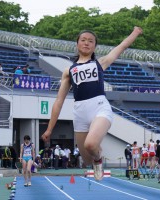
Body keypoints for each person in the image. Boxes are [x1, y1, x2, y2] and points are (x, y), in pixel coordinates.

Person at [41, 26, 143, 181]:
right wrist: (49, 129)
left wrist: (135, 33)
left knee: (91, 145)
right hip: (80, 113)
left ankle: (99, 159)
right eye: (83, 40)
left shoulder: (100, 63)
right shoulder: (69, 71)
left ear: (95, 46)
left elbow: (121, 47)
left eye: (90, 41)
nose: (86, 43)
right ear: (77, 44)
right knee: (86, 160)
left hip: (99, 107)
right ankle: (94, 158)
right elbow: (58, 101)